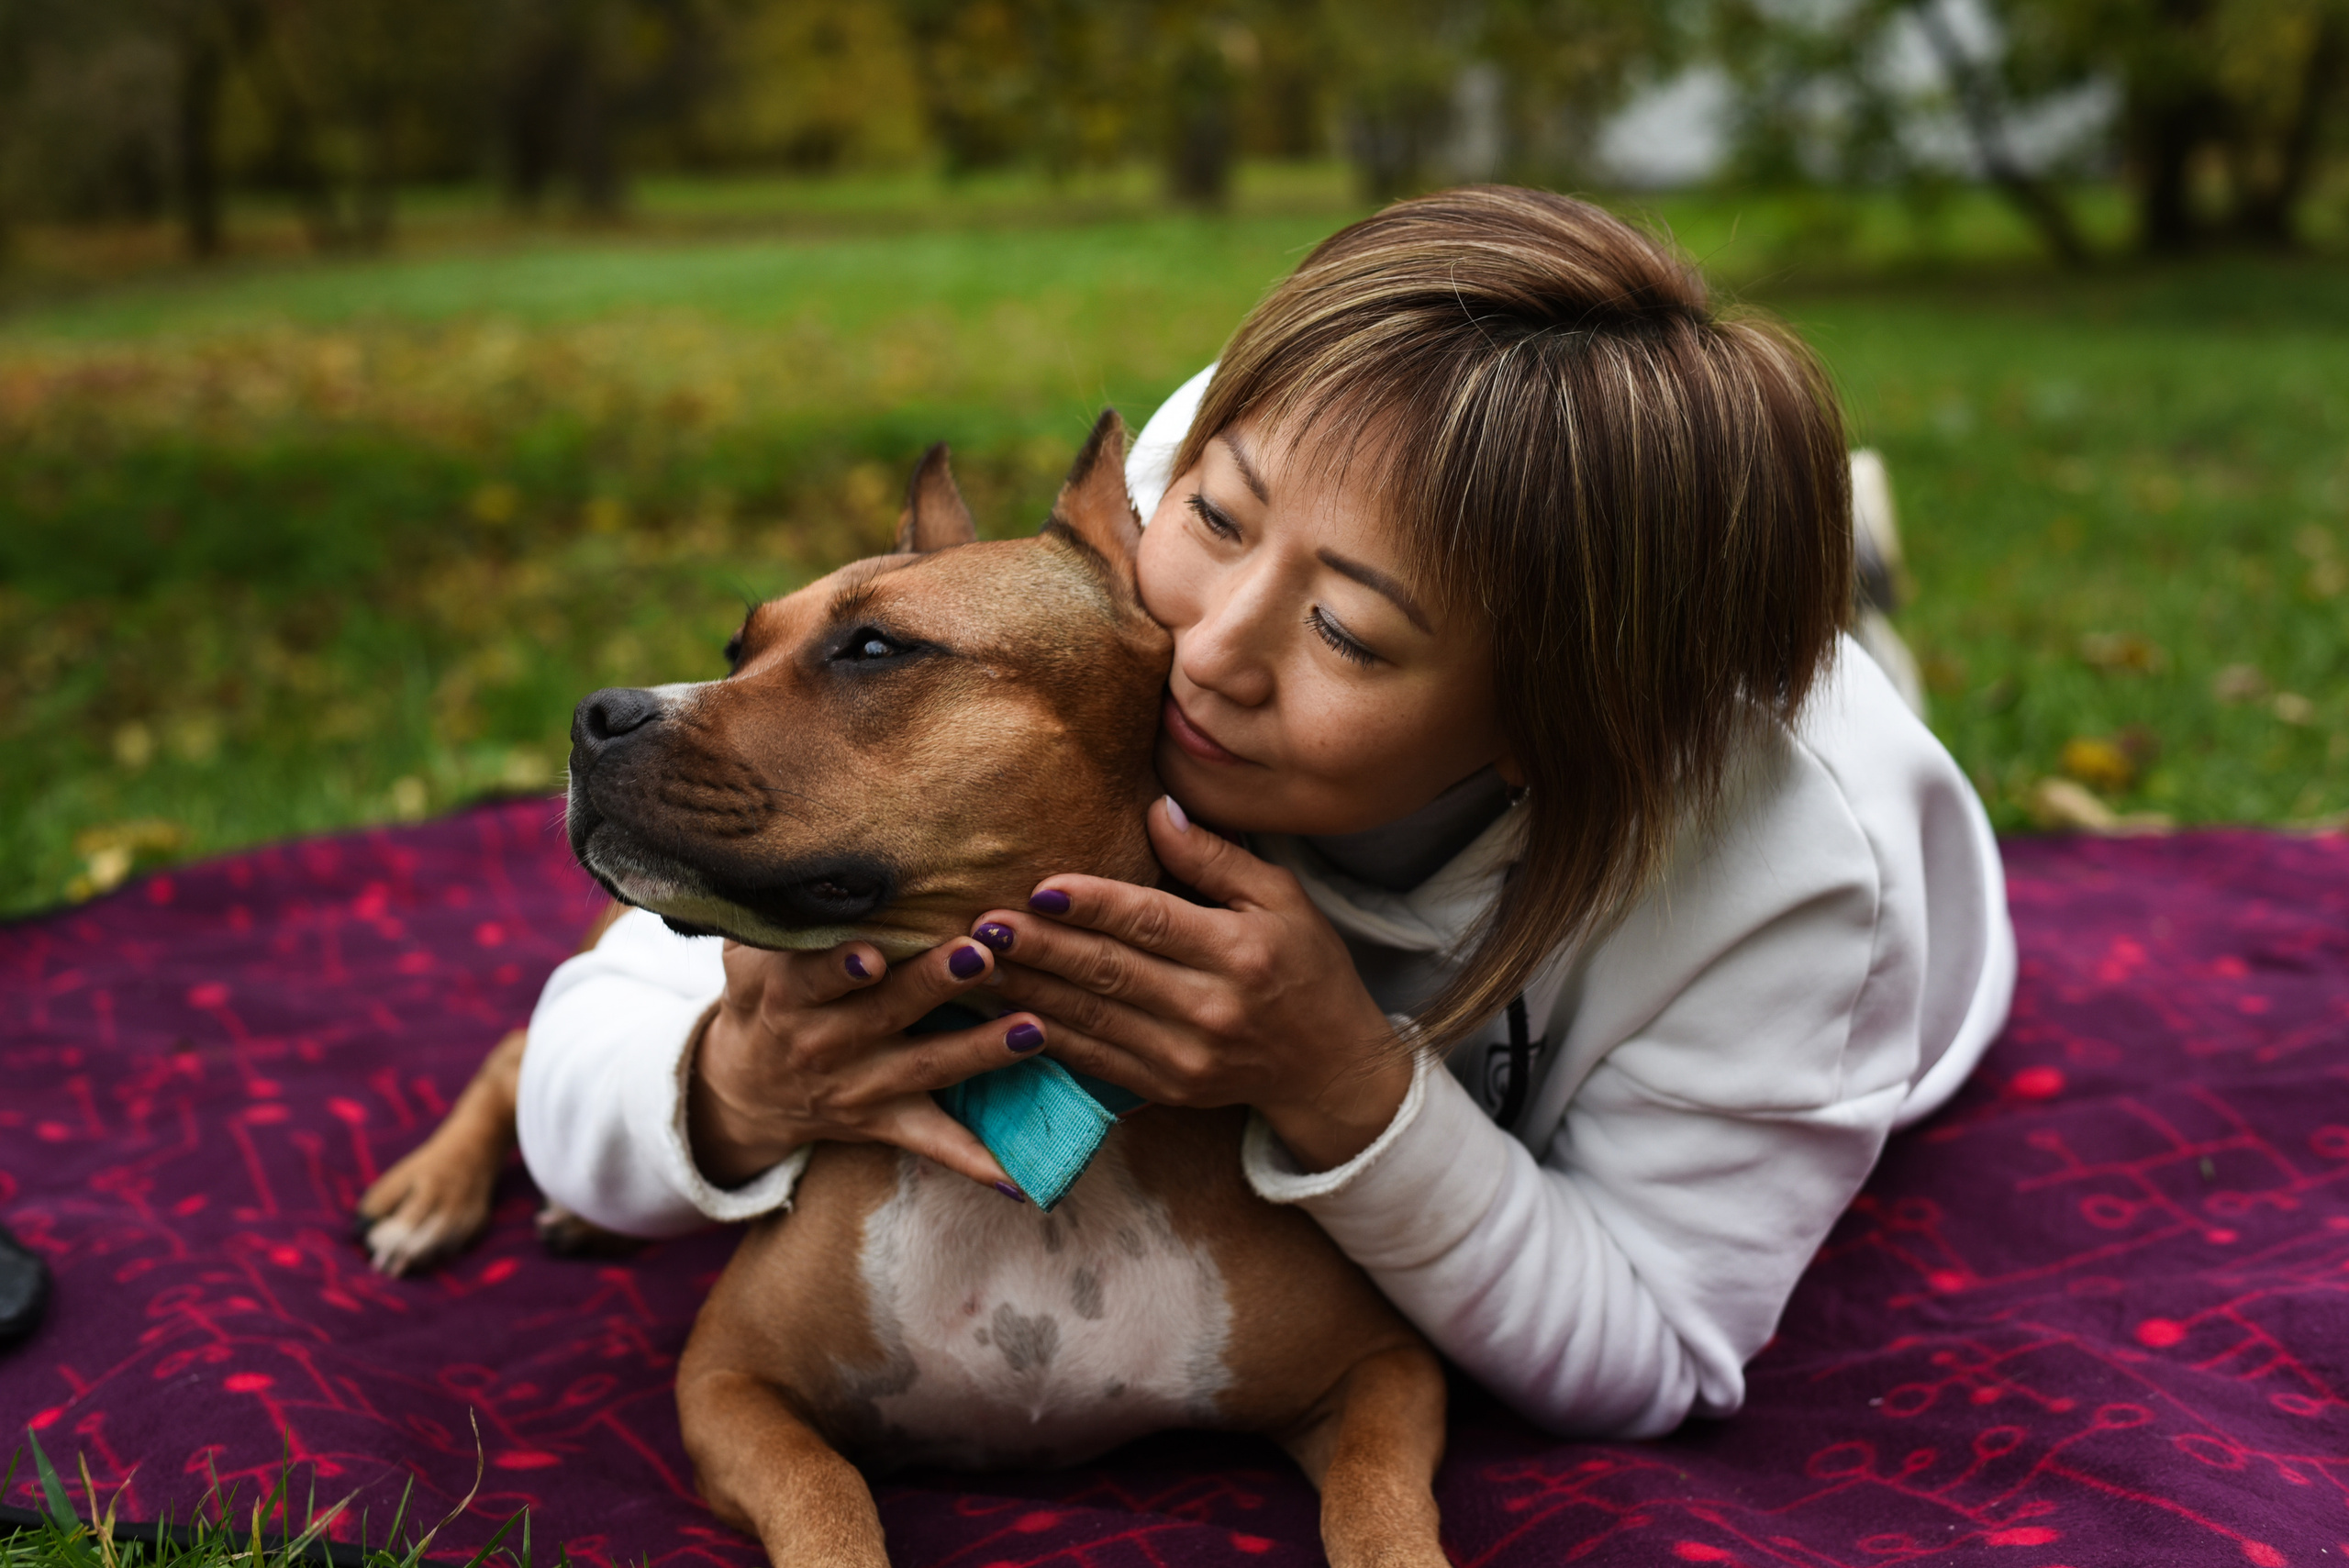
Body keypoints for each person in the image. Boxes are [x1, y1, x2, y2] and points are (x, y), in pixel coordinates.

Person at [517, 187, 2013, 1440]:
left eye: (1350, 634)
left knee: (1852, 695)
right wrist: (735, 1086)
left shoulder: (1790, 887)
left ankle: (1854, 627)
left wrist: (1349, 1079)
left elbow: (1659, 1349)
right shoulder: (1168, 561)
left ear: (1554, 725)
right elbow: (595, 1038)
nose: (1208, 646)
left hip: (1858, 894)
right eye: (1216, 518)